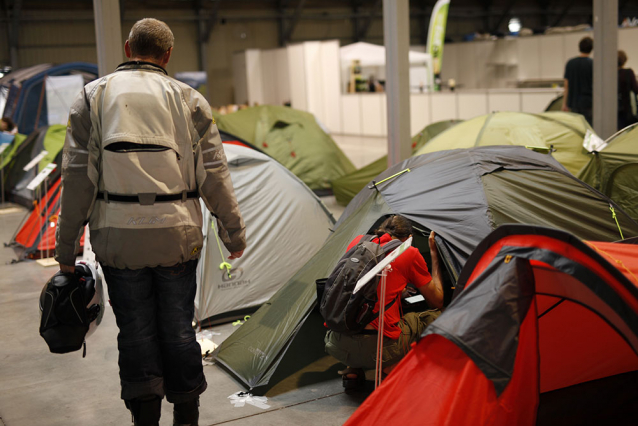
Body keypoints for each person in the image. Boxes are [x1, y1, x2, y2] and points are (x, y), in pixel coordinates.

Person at [55, 18, 246, 426]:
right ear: (168, 55)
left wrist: (66, 248)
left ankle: (144, 417)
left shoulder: (91, 98)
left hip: (117, 238)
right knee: (178, 329)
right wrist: (234, 233)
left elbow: (75, 179)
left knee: (136, 333)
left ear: (127, 48)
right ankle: (187, 414)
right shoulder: (191, 100)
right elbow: (215, 173)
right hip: (177, 235)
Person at [324, 215, 444, 391]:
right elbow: (437, 301)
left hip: (337, 344)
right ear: (409, 238)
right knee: (437, 315)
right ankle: (390, 367)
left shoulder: (358, 242)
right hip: (381, 351)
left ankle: (353, 369)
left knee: (357, 314)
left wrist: (397, 291)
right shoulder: (409, 252)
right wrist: (435, 256)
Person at [562, 36, 593, 125]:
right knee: (588, 128)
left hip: (573, 102)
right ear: (591, 48)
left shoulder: (570, 63)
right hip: (588, 103)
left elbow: (566, 85)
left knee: (576, 127)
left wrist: (564, 103)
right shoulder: (592, 64)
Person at [617, 50, 638, 130]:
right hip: (626, 108)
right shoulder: (628, 73)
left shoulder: (610, 74)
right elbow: (636, 89)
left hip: (613, 109)